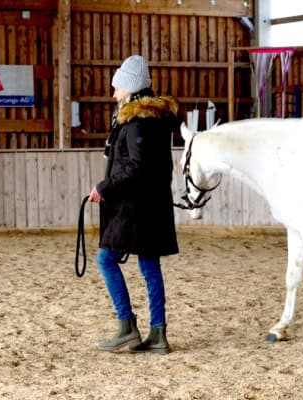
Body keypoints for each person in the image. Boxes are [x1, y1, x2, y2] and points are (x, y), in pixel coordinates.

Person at [89, 55, 179, 355]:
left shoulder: (136, 122)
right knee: (149, 265)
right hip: (153, 206)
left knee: (106, 259)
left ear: (130, 88)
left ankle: (127, 326)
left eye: (117, 88)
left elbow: (136, 167)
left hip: (135, 208)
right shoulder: (154, 120)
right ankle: (157, 333)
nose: (114, 93)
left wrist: (105, 187)